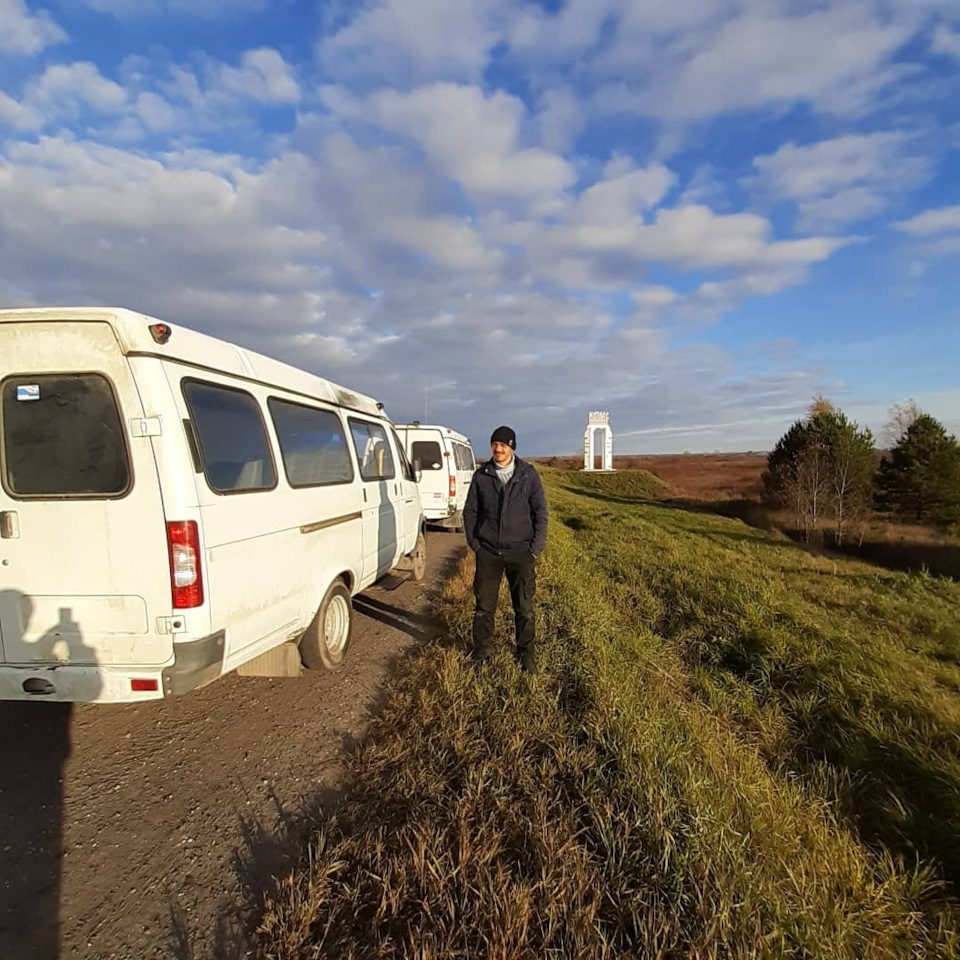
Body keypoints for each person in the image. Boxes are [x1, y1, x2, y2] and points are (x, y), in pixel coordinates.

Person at [462, 425, 548, 673]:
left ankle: (525, 655)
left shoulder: (528, 476)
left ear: (512, 447)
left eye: (503, 445)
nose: (498, 449)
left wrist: (535, 549)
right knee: (483, 607)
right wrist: (476, 546)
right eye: (495, 444)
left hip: (521, 553)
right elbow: (470, 512)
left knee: (524, 608)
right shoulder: (482, 475)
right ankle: (482, 653)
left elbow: (541, 513)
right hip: (488, 553)